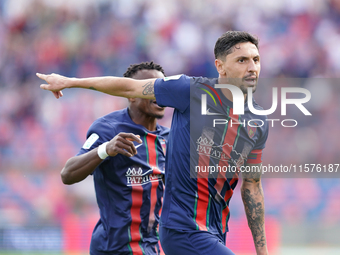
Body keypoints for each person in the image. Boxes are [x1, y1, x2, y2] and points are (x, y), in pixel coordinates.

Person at [38, 31, 269, 255]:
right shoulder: (187, 93)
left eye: (256, 60)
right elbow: (68, 173)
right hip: (145, 240)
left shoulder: (178, 138)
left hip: (176, 241)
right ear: (220, 66)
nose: (252, 67)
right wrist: (70, 83)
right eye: (242, 60)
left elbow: (251, 185)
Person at [55, 62, 169, 255]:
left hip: (154, 248)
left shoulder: (170, 138)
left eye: (163, 88)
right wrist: (105, 149)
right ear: (131, 94)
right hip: (114, 249)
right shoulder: (108, 129)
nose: (159, 93)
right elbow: (67, 174)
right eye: (150, 87)